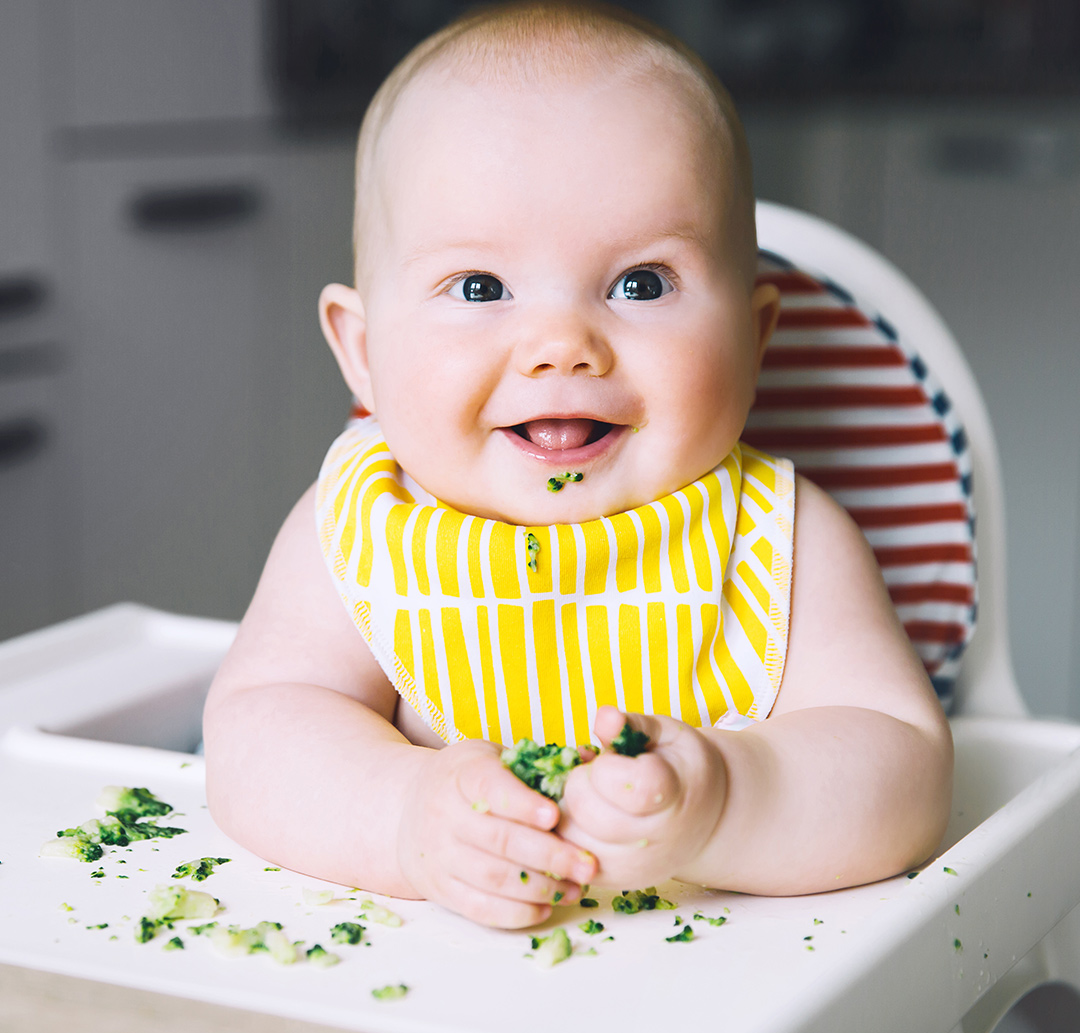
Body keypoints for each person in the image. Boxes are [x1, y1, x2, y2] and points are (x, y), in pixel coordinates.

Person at [203, 1, 952, 930]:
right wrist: (403, 817)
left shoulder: (785, 542)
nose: (562, 345)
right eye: (479, 287)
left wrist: (729, 802)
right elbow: (255, 735)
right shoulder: (357, 531)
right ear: (363, 351)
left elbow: (905, 772)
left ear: (755, 341)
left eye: (640, 284)